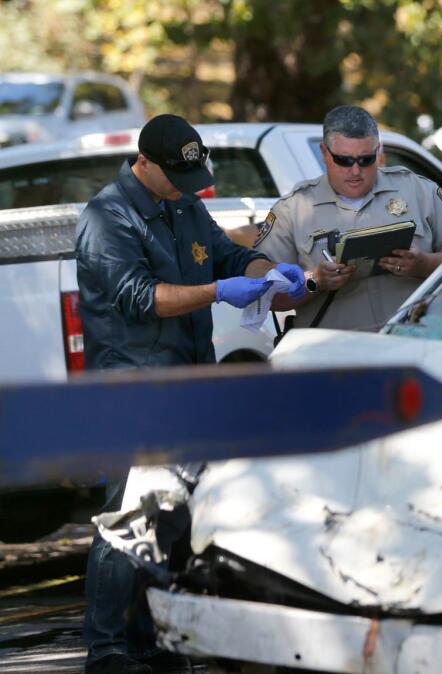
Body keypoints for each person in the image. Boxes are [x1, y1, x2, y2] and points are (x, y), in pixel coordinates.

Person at [75, 113, 305, 674]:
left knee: (173, 517)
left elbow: (226, 255)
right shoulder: (108, 216)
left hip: (189, 376)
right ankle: (106, 650)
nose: (188, 187)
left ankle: (150, 640)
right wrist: (218, 291)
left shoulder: (183, 203)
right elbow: (138, 298)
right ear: (144, 162)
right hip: (135, 382)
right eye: (178, 176)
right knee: (132, 515)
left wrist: (268, 273)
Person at [254, 105, 442, 331]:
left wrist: (424, 264)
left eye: (366, 159)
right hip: (337, 356)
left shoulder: (417, 190)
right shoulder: (293, 210)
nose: (355, 171)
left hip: (412, 347)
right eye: (344, 160)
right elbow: (266, 296)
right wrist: (315, 281)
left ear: (378, 151)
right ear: (324, 153)